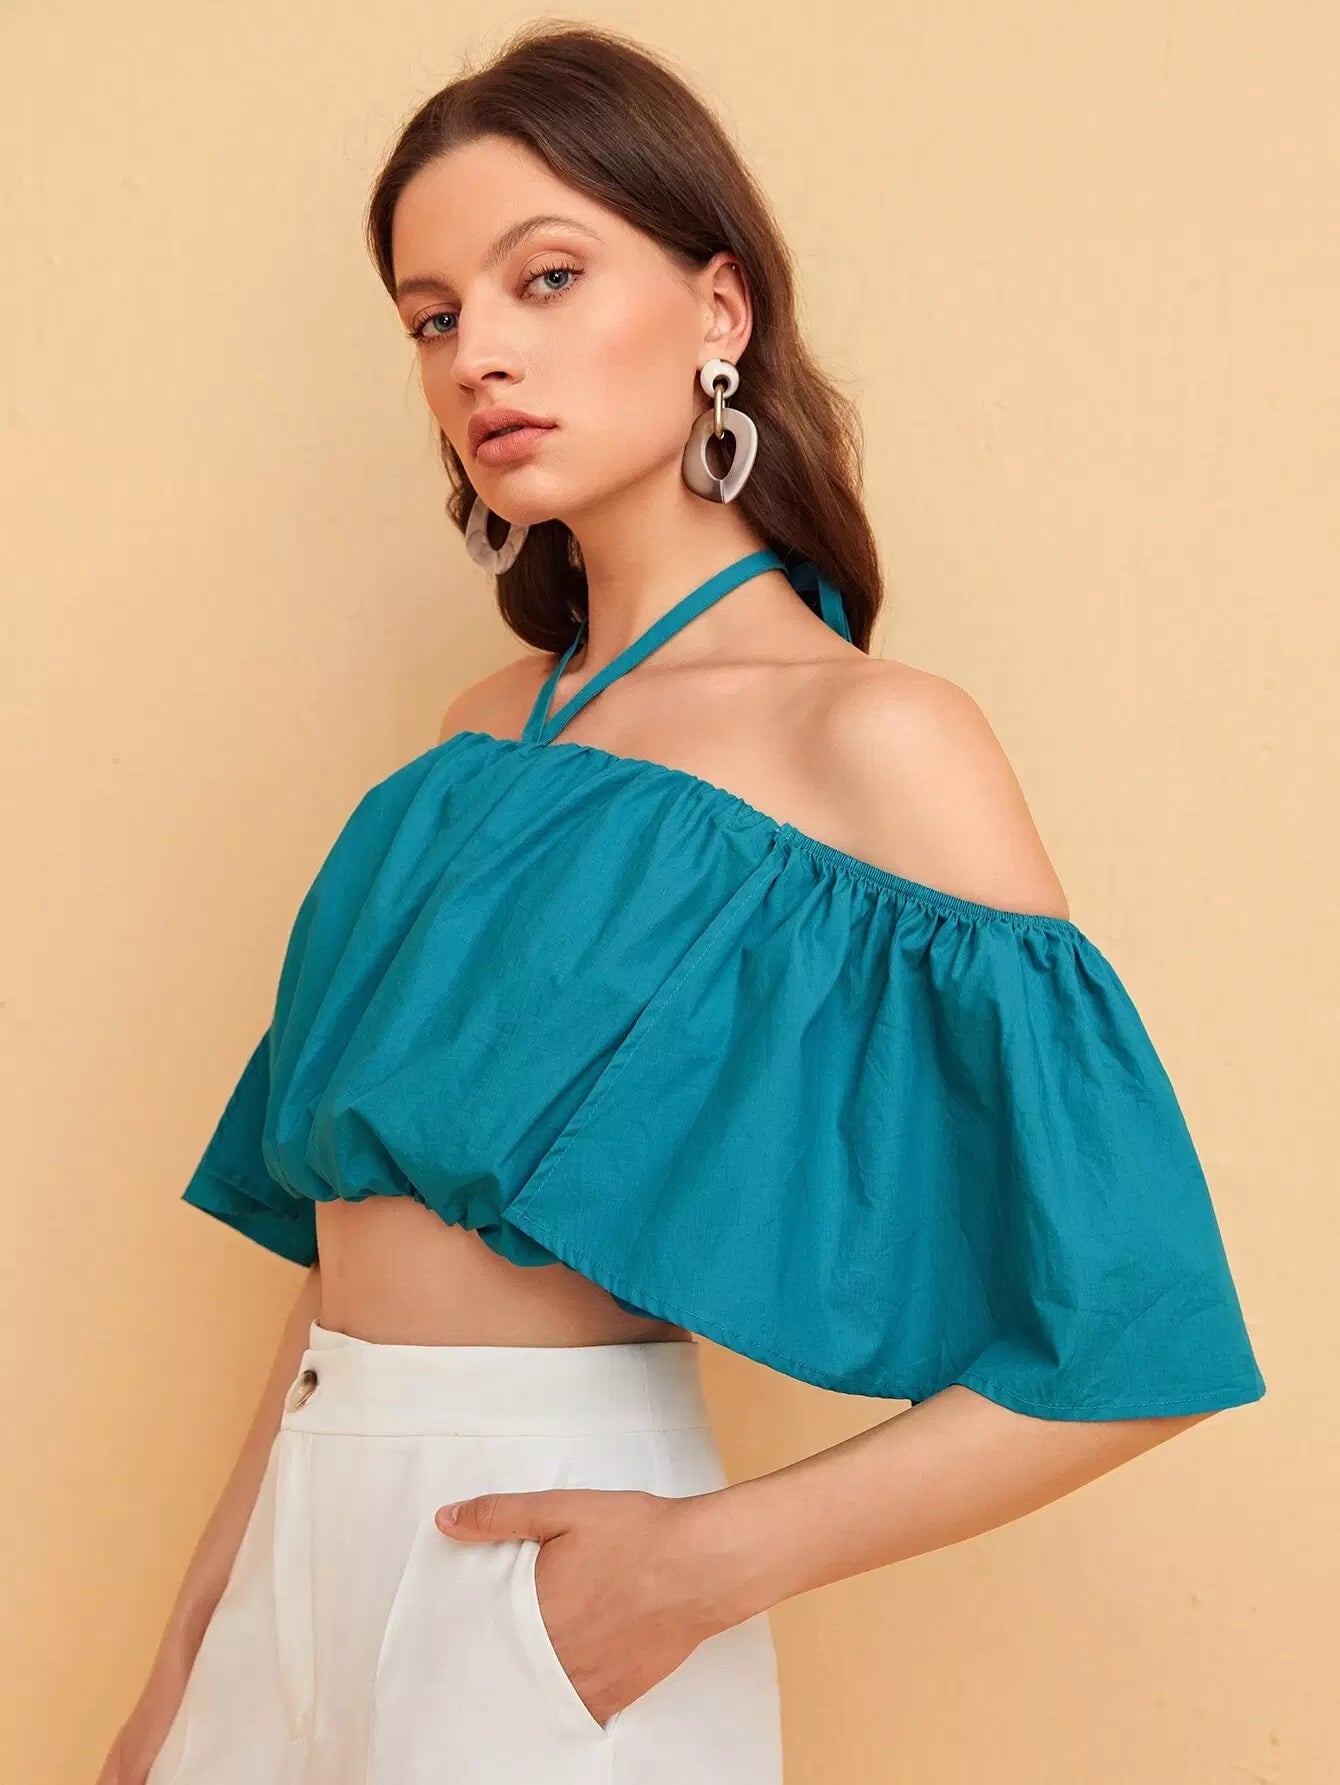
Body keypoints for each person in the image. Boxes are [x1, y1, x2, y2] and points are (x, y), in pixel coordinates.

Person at [102, 22, 1265, 1785]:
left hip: (542, 1578)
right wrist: (185, 1669)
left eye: (546, 277)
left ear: (719, 310)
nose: (481, 355)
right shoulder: (465, 746)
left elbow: (1139, 1331)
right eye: (433, 317)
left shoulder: (868, 737)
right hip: (295, 1561)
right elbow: (339, 1268)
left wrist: (689, 1571)